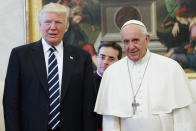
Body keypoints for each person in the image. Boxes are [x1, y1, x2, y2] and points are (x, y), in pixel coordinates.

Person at [3, 3, 97, 131]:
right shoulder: (20, 55)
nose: (53, 27)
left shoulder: (82, 57)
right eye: (47, 22)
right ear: (40, 25)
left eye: (58, 22)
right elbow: (10, 102)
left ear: (66, 27)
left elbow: (88, 103)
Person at [94, 20, 195, 131]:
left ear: (147, 39)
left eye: (135, 40)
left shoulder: (171, 68)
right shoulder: (112, 73)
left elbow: (183, 119)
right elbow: (110, 122)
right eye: (126, 42)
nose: (131, 46)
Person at [94, 41, 122, 131]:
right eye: (102, 57)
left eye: (111, 59)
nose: (105, 62)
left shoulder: (124, 84)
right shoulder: (85, 82)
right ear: (96, 58)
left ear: (119, 62)